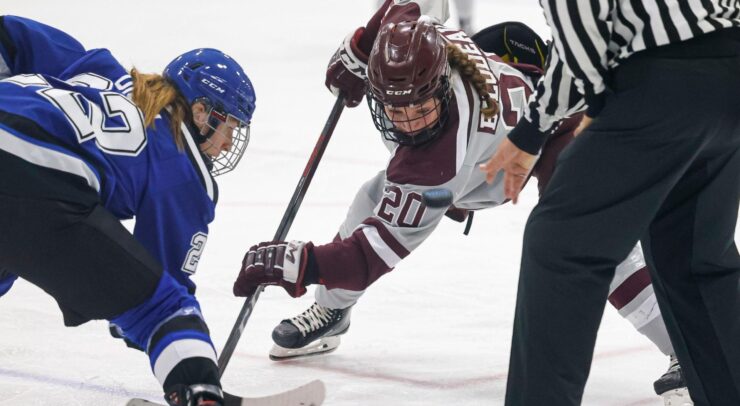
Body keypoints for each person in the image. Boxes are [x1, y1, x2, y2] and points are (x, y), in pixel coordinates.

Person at [232, 0, 685, 400]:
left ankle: (687, 351)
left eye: (419, 104)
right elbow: (401, 8)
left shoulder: (435, 162)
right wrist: (357, 50)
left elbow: (366, 257)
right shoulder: (422, 42)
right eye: (395, 105)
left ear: (442, 85)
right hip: (516, 113)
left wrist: (296, 263)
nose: (408, 120)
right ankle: (332, 312)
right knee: (371, 197)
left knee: (597, 245)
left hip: (557, 132)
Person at [478, 0, 740, 404]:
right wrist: (532, 131)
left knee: (561, 246)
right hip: (729, 75)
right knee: (693, 259)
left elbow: (581, 33)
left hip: (658, 83)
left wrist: (585, 110)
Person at [0, 15, 255, 406]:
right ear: (201, 112)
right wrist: (182, 351)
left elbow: (12, 36)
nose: (227, 143)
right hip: (35, 177)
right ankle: (201, 395)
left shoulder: (101, 68)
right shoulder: (183, 168)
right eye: (230, 127)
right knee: (164, 308)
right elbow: (158, 282)